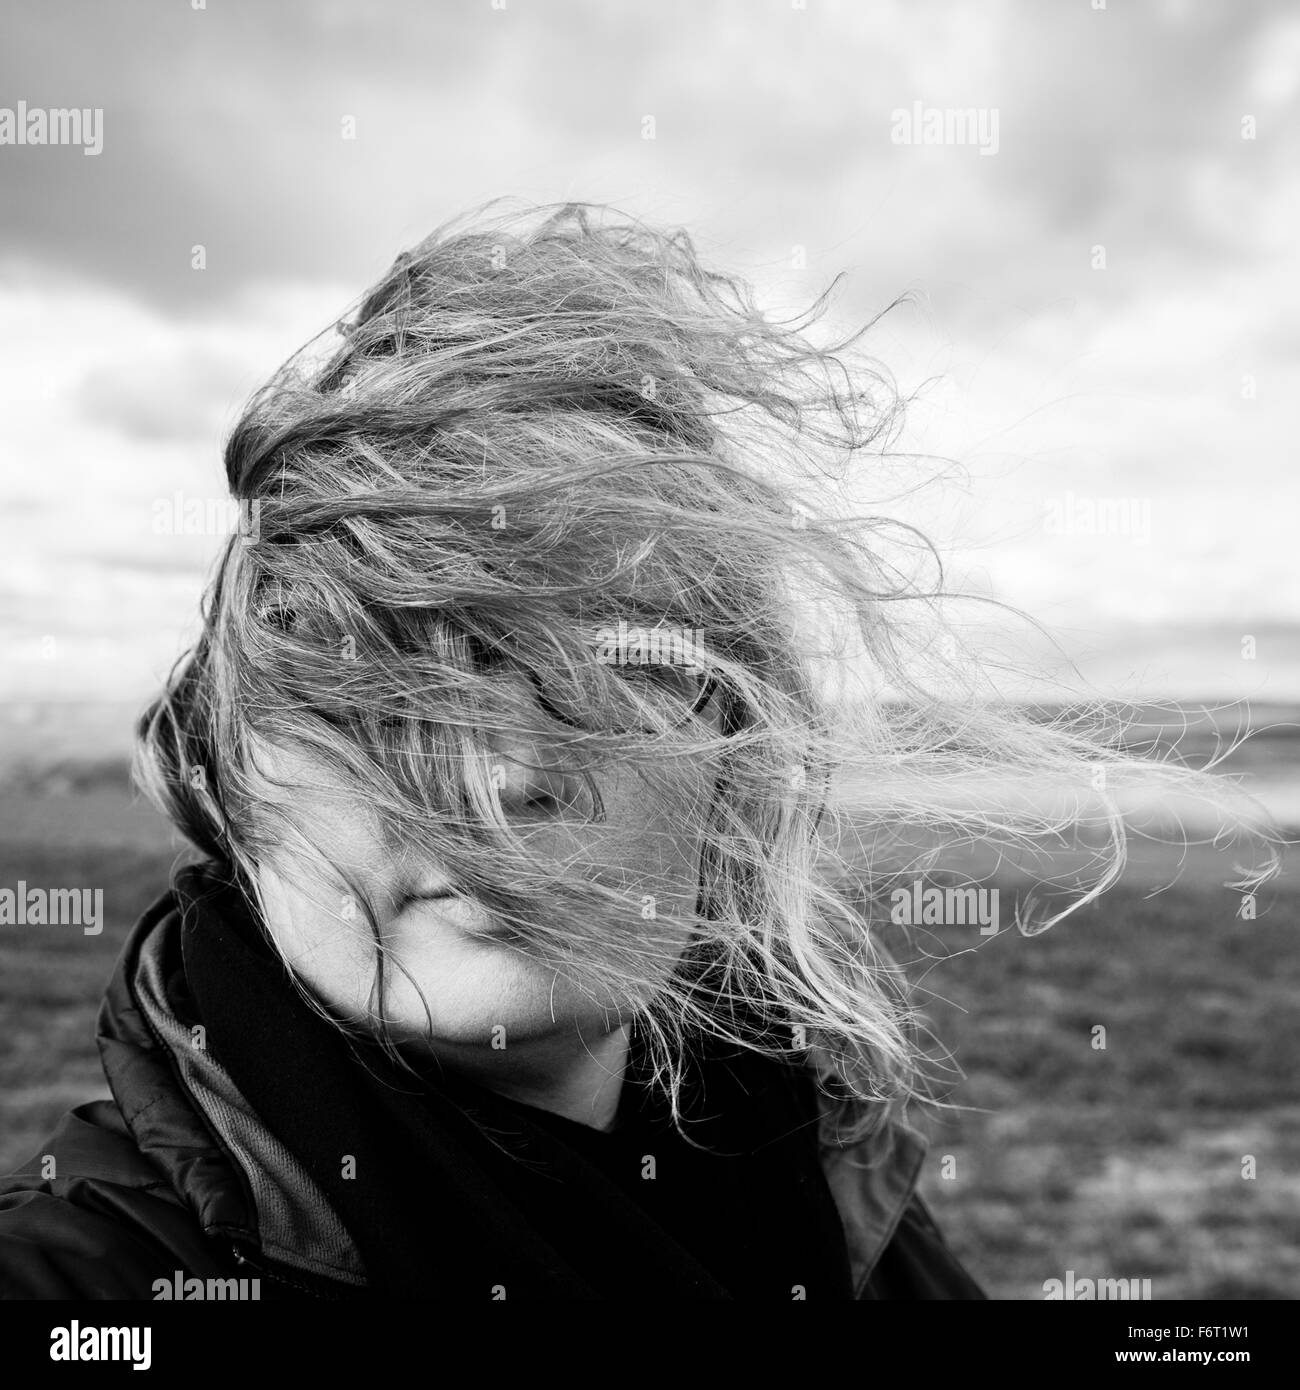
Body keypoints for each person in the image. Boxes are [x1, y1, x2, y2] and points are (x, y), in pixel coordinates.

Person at [0, 202, 1266, 1301]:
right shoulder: (93, 1283)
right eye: (375, 690)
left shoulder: (821, 1178)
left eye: (609, 668)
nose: (503, 778)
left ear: (735, 751)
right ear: (224, 773)